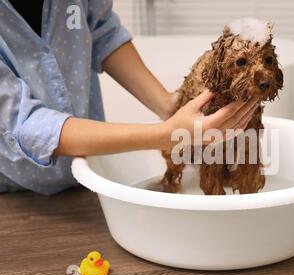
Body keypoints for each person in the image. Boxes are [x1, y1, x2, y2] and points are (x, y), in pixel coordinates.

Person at [0, 0, 256, 194]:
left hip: (88, 175)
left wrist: (168, 105)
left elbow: (102, 33)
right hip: (17, 194)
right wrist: (168, 132)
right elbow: (25, 122)